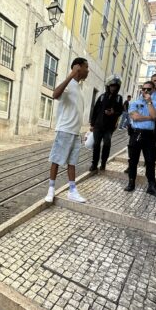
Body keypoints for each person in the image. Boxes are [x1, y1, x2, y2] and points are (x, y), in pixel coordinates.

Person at [45, 57, 89, 203]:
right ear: (77, 67)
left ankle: (72, 190)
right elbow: (55, 94)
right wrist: (70, 75)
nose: (87, 70)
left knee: (72, 162)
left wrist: (81, 132)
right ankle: (51, 189)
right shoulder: (69, 84)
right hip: (64, 130)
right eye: (86, 67)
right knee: (56, 160)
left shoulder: (79, 87)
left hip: (75, 132)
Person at [124, 81, 156, 198]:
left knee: (150, 161)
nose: (145, 91)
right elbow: (135, 117)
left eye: (148, 89)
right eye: (143, 89)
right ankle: (131, 182)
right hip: (136, 134)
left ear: (153, 90)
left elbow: (155, 116)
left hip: (149, 135)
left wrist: (149, 102)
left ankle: (152, 186)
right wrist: (150, 118)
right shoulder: (134, 103)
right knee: (133, 160)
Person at [89, 76, 123, 172]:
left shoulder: (119, 98)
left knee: (107, 144)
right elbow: (95, 111)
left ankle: (103, 163)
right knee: (96, 145)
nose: (113, 88)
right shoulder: (102, 97)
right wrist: (92, 124)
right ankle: (94, 164)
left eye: (115, 86)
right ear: (108, 86)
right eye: (112, 86)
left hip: (109, 127)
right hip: (98, 126)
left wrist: (114, 112)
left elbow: (120, 111)